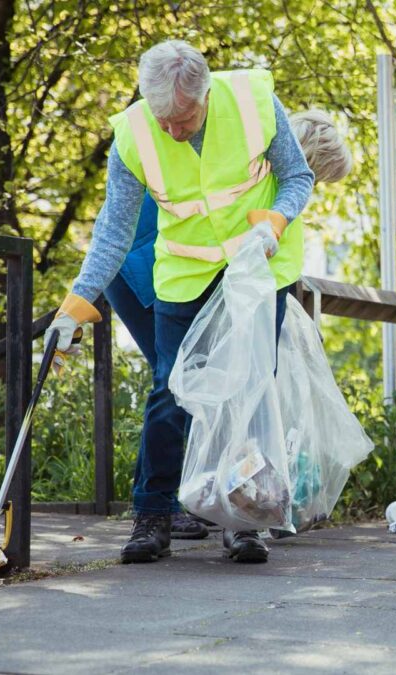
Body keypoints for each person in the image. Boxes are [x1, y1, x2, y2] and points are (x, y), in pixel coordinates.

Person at [45, 40, 315, 565]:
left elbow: (297, 177)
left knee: (249, 390)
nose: (172, 130)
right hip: (184, 272)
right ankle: (152, 514)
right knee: (170, 387)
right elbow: (114, 230)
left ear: (206, 94)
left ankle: (242, 520)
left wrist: (275, 222)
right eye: (162, 118)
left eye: (183, 118)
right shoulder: (132, 133)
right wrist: (76, 303)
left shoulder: (255, 99)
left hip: (258, 266)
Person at [103, 109, 354, 542]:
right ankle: (168, 506)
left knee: (200, 388)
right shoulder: (246, 174)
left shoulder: (256, 170)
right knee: (180, 384)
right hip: (144, 273)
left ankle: (217, 500)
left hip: (167, 273)